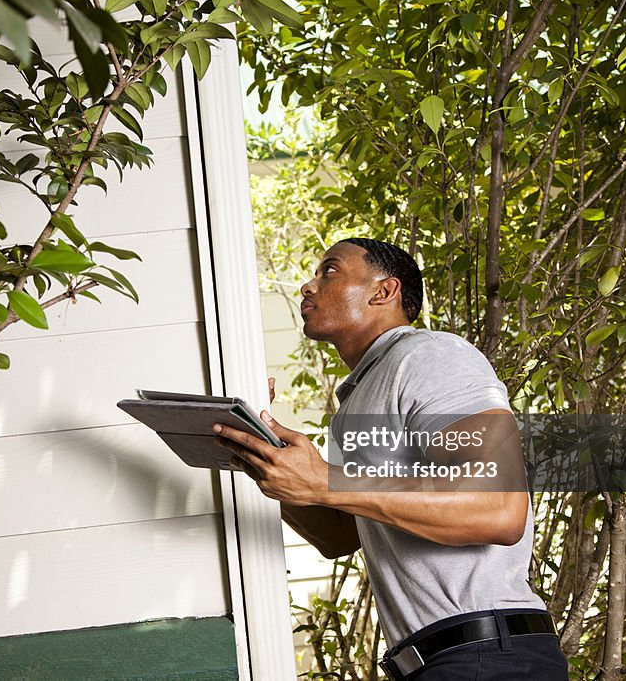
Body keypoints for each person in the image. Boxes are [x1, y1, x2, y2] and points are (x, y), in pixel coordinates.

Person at [212, 238, 568, 680]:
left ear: (384, 292)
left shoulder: (431, 356)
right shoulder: (356, 402)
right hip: (435, 661)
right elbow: (340, 537)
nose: (308, 286)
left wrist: (324, 480)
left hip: (487, 656)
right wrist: (265, 459)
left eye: (329, 271)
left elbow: (498, 508)